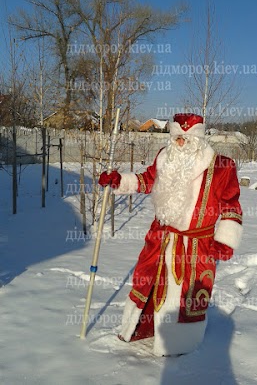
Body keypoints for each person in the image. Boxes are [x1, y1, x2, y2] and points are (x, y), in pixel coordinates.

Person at [99, 113, 243, 356]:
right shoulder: (165, 158)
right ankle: (144, 328)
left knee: (184, 295)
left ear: (198, 138)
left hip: (196, 245)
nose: (179, 143)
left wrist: (225, 241)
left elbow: (231, 204)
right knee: (150, 284)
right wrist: (119, 180)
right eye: (176, 137)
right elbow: (147, 180)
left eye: (185, 138)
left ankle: (179, 344)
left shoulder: (221, 166)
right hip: (160, 238)